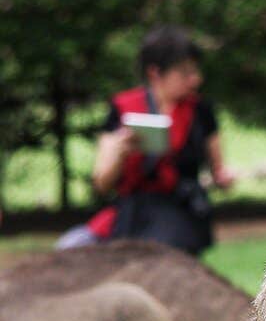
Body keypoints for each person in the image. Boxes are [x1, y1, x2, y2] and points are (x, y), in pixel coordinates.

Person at [56, 26, 234, 254]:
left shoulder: (201, 112)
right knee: (68, 247)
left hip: (179, 214)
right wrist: (119, 152)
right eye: (185, 73)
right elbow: (102, 183)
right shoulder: (123, 109)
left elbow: (219, 172)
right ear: (155, 74)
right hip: (131, 213)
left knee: (156, 251)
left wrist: (224, 178)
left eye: (195, 72)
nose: (195, 80)